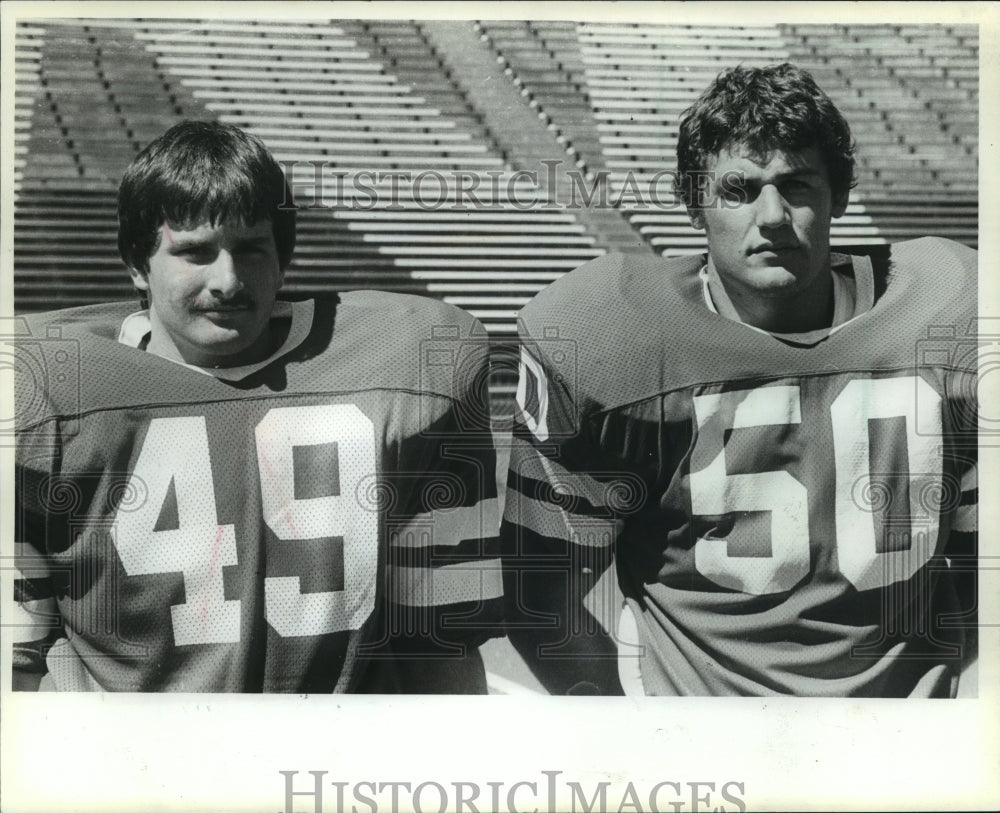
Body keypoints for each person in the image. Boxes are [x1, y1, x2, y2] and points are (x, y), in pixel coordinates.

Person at [501, 63, 978, 697]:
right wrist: (626, 738)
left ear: (838, 195)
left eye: (797, 184)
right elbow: (543, 593)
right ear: (694, 203)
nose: (773, 215)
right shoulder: (613, 339)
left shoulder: (953, 308)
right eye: (739, 188)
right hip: (705, 739)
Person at [12, 120, 503, 692]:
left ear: (283, 258)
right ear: (137, 266)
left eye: (251, 249)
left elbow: (439, 644)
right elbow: (18, 661)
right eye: (194, 252)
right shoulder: (41, 389)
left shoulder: (408, 365)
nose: (228, 279)